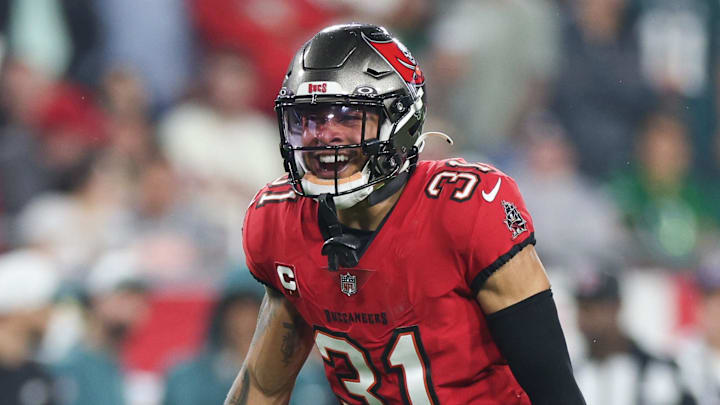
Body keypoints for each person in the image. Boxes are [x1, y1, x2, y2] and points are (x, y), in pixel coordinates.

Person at [226, 24, 585, 405]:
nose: (323, 135)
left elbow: (554, 390)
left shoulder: (465, 208)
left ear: (400, 120)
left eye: (348, 116)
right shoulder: (280, 222)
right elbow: (263, 389)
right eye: (310, 118)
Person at [572, 268, 696, 404]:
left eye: (593, 309)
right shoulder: (573, 375)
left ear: (617, 307)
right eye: (581, 309)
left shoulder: (656, 371)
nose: (586, 320)